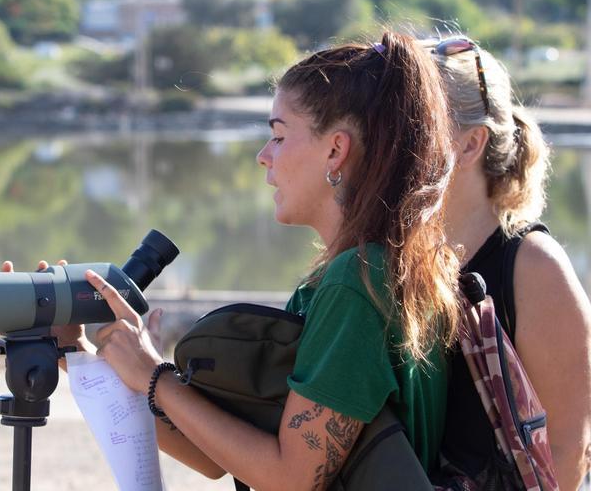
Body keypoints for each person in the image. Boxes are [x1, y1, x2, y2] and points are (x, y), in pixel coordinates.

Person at [56, 32, 462, 488]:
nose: (262, 157)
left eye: (278, 136)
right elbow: (218, 457)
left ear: (335, 150)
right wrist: (77, 354)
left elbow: (291, 478)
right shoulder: (380, 267)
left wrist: (155, 375)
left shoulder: (359, 283)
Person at [432, 36, 591, 489]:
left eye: (411, 123)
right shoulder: (400, 255)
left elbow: (568, 451)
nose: (388, 139)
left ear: (470, 144)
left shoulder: (534, 266)